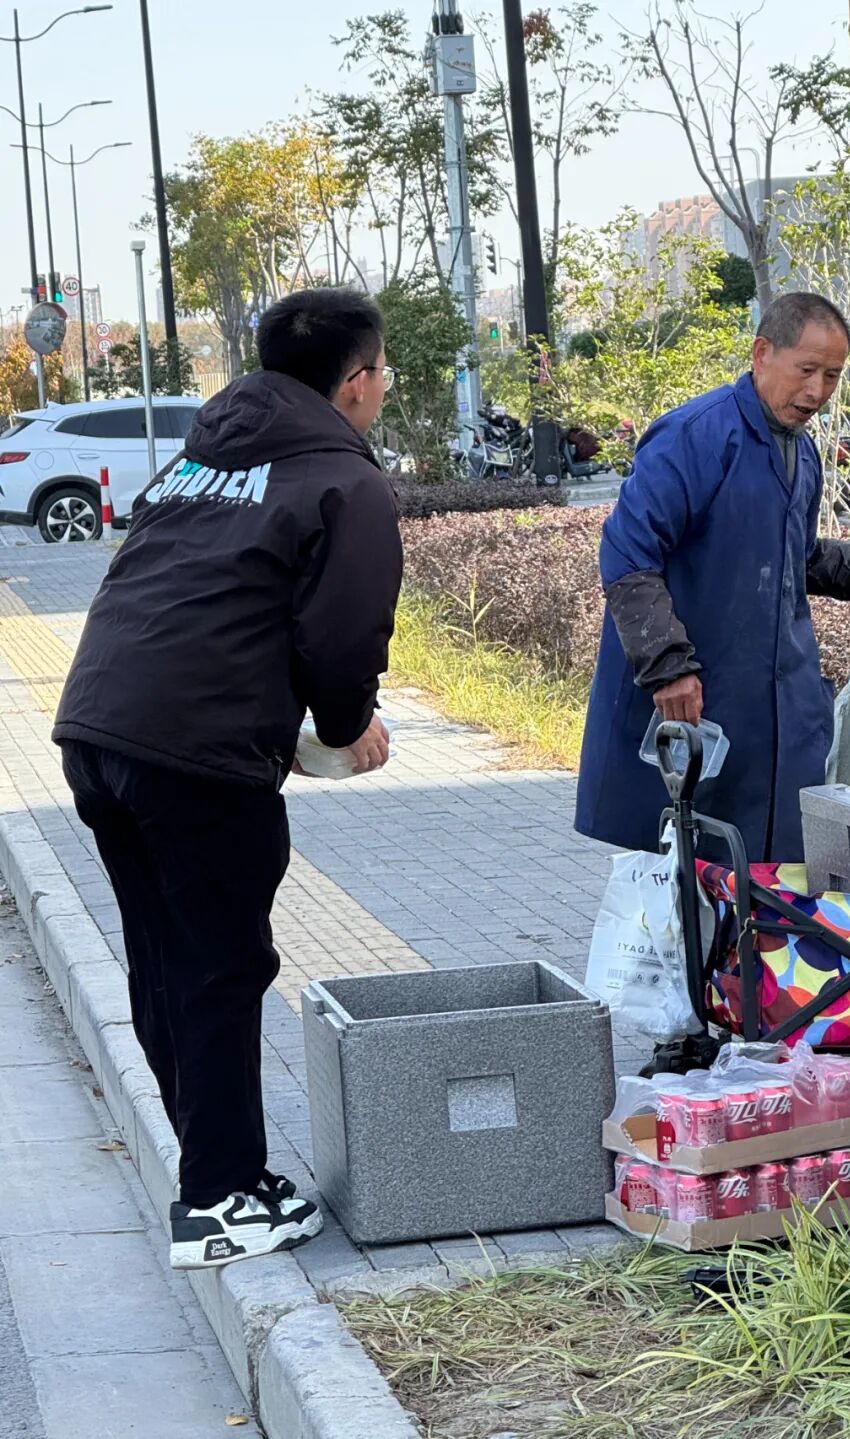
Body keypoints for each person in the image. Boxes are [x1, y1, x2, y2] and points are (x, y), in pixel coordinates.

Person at [53, 287, 403, 1270]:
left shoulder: (203, 458)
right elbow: (341, 641)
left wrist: (283, 736)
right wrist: (342, 730)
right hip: (192, 755)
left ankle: (224, 1177)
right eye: (381, 375)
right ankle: (214, 1200)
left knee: (170, 963)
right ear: (359, 378)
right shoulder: (344, 480)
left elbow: (195, 603)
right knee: (218, 966)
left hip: (101, 729)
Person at [575, 291, 850, 866]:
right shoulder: (694, 436)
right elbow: (628, 555)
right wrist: (667, 667)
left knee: (774, 880)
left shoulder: (801, 454)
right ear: (761, 353)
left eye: (832, 376)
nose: (817, 392)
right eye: (806, 370)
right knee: (689, 882)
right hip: (696, 698)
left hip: (780, 706)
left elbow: (797, 561)